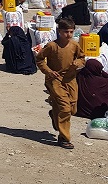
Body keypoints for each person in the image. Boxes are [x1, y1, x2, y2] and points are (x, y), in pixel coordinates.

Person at [35, 18, 85, 149]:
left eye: (71, 32)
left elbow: (82, 58)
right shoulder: (52, 46)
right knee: (65, 108)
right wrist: (49, 72)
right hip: (55, 80)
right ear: (59, 31)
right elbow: (40, 59)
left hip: (70, 80)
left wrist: (78, 63)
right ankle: (64, 138)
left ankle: (54, 114)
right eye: (65, 32)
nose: (68, 35)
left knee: (73, 108)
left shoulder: (74, 45)